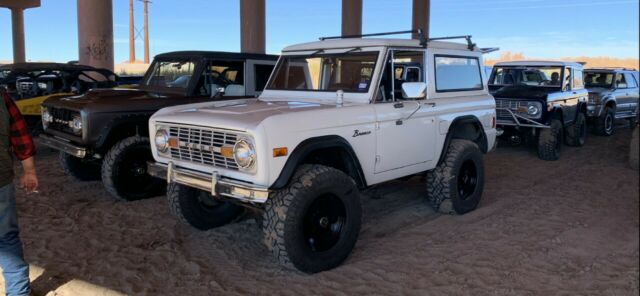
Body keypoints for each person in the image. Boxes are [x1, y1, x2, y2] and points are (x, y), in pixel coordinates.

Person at [0, 92, 38, 296]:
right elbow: (20, 137)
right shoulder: (2, 97)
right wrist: (30, 171)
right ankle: (19, 293)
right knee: (6, 238)